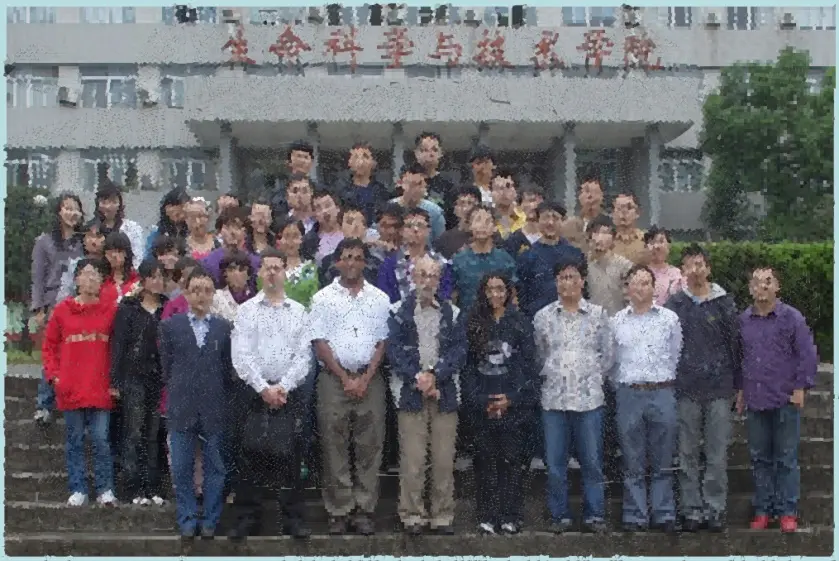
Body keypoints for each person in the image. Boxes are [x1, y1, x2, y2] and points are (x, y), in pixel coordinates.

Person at [228, 248, 314, 540]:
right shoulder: (246, 311)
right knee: (248, 456)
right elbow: (241, 355)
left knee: (291, 458)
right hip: (253, 392)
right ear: (260, 273)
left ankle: (293, 520)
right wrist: (263, 388)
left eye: (278, 268)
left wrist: (283, 387)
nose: (273, 273)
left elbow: (303, 357)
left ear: (285, 273)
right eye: (268, 268)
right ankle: (246, 519)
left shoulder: (299, 312)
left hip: (288, 393)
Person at [309, 238, 391, 535]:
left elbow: (382, 341)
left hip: (370, 379)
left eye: (358, 257)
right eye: (347, 257)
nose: (352, 262)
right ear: (337, 262)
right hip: (334, 380)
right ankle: (339, 509)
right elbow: (319, 341)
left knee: (370, 444)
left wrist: (366, 377)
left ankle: (364, 509)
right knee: (334, 444)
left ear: (365, 262)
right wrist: (345, 378)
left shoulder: (379, 299)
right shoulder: (322, 298)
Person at [665, 244, 741, 533]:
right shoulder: (676, 304)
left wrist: (738, 385)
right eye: (689, 265)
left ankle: (714, 508)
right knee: (686, 452)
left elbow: (736, 345)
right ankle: (691, 509)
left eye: (700, 264)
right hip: (686, 387)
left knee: (716, 452)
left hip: (720, 387)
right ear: (682, 270)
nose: (695, 270)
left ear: (708, 268)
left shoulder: (724, 303)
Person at [387, 256, 466, 535]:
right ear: (413, 277)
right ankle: (412, 515)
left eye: (433, 276)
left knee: (444, 460)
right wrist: (417, 378)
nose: (427, 281)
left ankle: (442, 515)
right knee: (413, 459)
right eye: (422, 275)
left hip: (445, 393)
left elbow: (459, 351)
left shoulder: (452, 312)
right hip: (410, 393)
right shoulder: (398, 311)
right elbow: (394, 351)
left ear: (439, 280)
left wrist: (435, 375)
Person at [533, 256, 613, 534]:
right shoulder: (543, 317)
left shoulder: (598, 315)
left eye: (572, 277)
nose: (568, 283)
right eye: (562, 278)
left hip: (589, 400)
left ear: (582, 281)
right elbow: (539, 354)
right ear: (556, 283)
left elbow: (607, 356)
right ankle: (559, 516)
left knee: (592, 461)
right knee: (555, 464)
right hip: (554, 400)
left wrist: (590, 376)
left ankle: (595, 514)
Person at [737, 266, 818, 533]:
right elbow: (740, 359)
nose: (762, 287)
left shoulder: (792, 318)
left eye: (768, 282)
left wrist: (801, 387)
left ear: (777, 287)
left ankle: (787, 511)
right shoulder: (743, 320)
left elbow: (807, 354)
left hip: (785, 398)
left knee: (786, 458)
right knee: (759, 458)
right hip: (755, 399)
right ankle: (763, 510)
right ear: (750, 288)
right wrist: (740, 391)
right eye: (756, 282)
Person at [158, 268, 234, 544]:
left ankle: (210, 520)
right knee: (181, 466)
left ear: (213, 295)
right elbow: (166, 367)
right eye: (196, 290)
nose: (201, 296)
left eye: (207, 290)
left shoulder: (223, 328)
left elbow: (227, 369)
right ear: (186, 294)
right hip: (181, 406)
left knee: (216, 467)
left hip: (214, 407)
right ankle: (188, 519)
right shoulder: (170, 326)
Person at [461, 273, 539, 535]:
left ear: (508, 292)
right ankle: (487, 515)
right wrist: (480, 399)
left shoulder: (520, 322)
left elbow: (528, 365)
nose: (495, 294)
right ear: (483, 292)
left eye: (500, 289)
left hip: (513, 406)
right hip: (481, 406)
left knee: (512, 461)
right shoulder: (473, 322)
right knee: (485, 461)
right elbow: (467, 366)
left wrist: (512, 399)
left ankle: (510, 516)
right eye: (490, 289)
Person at [610, 264, 683, 533]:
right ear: (627, 289)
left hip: (662, 391)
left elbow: (676, 354)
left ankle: (663, 512)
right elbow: (611, 360)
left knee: (663, 456)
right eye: (635, 283)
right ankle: (635, 514)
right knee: (632, 457)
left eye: (645, 283)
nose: (640, 288)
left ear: (654, 288)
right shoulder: (616, 321)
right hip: (629, 393)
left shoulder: (669, 319)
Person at [41, 257, 118, 507]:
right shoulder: (62, 311)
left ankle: (105, 489)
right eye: (86, 273)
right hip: (70, 387)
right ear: (76, 279)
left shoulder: (110, 311)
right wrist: (55, 376)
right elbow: (49, 347)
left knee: (100, 439)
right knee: (74, 440)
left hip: (100, 387)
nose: (91, 279)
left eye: (96, 275)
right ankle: (78, 488)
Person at [110, 259, 169, 506]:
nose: (157, 281)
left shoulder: (167, 309)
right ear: (143, 280)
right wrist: (115, 380)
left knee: (153, 434)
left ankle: (152, 486)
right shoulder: (129, 308)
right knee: (133, 431)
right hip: (133, 376)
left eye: (161, 276)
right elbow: (118, 345)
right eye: (152, 276)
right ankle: (132, 487)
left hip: (159, 379)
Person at [31, 193, 85, 425]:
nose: (72, 213)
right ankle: (44, 404)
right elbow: (38, 277)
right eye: (67, 208)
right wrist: (39, 308)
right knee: (52, 354)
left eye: (76, 209)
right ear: (58, 212)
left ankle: (72, 402)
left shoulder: (83, 241)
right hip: (53, 303)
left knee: (75, 354)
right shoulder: (44, 241)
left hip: (78, 304)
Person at [515, 201, 585, 319]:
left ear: (562, 221)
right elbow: (522, 296)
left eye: (555, 218)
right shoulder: (527, 257)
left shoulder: (575, 254)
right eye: (545, 218)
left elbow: (584, 290)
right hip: (538, 320)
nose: (550, 223)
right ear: (538, 222)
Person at [377, 207, 453, 304]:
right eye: (409, 226)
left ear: (428, 230)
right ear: (401, 231)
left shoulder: (442, 263)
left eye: (420, 225)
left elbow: (445, 296)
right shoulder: (389, 265)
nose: (415, 229)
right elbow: (385, 298)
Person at [450, 205, 517, 311]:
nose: (482, 225)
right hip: (467, 317)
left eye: (487, 221)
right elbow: (452, 296)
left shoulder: (505, 259)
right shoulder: (458, 261)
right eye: (477, 220)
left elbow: (513, 295)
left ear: (495, 227)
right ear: (470, 226)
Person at [319, 202, 383, 288]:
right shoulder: (327, 263)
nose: (355, 227)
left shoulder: (376, 264)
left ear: (366, 228)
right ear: (341, 226)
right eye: (349, 222)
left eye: (360, 223)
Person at [201, 207, 261, 291]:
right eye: (227, 227)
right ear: (220, 231)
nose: (232, 232)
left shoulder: (256, 262)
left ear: (245, 231)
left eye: (237, 227)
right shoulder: (208, 262)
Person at [334, 142, 391, 228]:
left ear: (374, 163)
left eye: (365, 157)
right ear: (349, 162)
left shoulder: (381, 191)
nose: (360, 162)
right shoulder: (341, 189)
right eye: (356, 157)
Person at [585, 217, 634, 317]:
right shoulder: (583, 264)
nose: (600, 238)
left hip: (618, 318)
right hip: (591, 320)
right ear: (589, 237)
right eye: (596, 232)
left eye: (605, 233)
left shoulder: (625, 265)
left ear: (613, 239)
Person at [92, 180, 146, 268]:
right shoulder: (91, 229)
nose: (108, 207)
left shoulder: (132, 228)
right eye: (104, 202)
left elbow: (138, 259)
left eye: (113, 202)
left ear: (120, 204)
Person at [390, 162, 446, 243]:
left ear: (425, 186)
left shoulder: (435, 212)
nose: (414, 189)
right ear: (401, 184)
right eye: (410, 184)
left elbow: (441, 243)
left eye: (419, 184)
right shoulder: (389, 208)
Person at [273, 218, 320, 308]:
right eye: (286, 236)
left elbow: (313, 299)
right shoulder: (273, 268)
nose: (290, 241)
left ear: (302, 239)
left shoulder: (310, 268)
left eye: (295, 236)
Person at [414, 132, 458, 229]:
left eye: (434, 150)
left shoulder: (448, 184)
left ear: (440, 154)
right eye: (425, 150)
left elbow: (452, 218)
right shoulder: (408, 182)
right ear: (416, 153)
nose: (430, 154)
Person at [57, 220, 104, 307]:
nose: (94, 241)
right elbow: (65, 292)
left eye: (98, 236)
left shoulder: (111, 263)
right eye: (90, 235)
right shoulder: (73, 264)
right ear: (84, 239)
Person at [561, 168, 608, 251]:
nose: (590, 196)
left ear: (602, 195)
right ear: (579, 196)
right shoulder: (569, 225)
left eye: (595, 192)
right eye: (586, 191)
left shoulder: (610, 224)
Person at [268, 140, 315, 218]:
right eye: (299, 156)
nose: (302, 161)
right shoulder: (276, 198)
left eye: (306, 157)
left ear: (311, 162)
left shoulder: (320, 193)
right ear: (289, 162)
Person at [433, 186, 482, 260]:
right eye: (462, 204)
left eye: (470, 203)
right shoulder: (446, 239)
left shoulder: (489, 234)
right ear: (454, 209)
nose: (466, 209)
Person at [211, 250, 256, 322]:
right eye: (231, 269)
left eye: (242, 269)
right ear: (225, 274)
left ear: (248, 274)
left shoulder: (257, 297)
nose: (236, 274)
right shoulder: (218, 298)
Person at [145, 188, 189, 259]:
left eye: (183, 209)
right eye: (171, 206)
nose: (178, 210)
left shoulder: (190, 230)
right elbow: (149, 256)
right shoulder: (157, 231)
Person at [502, 184, 544, 258]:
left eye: (538, 201)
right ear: (520, 206)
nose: (534, 206)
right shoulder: (514, 237)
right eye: (531, 201)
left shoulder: (551, 233)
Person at [100, 231, 140, 306]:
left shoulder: (136, 280)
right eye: (111, 252)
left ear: (126, 253)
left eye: (119, 251)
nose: (114, 255)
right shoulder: (101, 280)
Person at [644, 226, 682, 306]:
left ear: (669, 246)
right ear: (646, 247)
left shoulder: (676, 274)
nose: (656, 246)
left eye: (661, 241)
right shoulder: (640, 272)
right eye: (652, 243)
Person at [310, 189, 345, 266]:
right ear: (314, 214)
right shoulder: (310, 242)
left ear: (337, 208)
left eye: (327, 205)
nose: (324, 211)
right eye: (318, 208)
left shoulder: (350, 232)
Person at [611, 192, 647, 264]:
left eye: (629, 208)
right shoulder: (606, 241)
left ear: (637, 213)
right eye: (619, 208)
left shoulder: (646, 240)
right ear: (612, 213)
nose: (624, 211)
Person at [490, 169, 527, 240]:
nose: (503, 192)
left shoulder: (526, 220)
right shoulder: (487, 222)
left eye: (508, 187)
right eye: (498, 188)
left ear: (515, 191)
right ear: (491, 193)